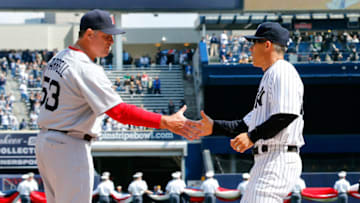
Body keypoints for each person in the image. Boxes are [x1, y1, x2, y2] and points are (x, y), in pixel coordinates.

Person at [35, 9, 198, 203]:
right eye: (106, 36)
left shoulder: (58, 57)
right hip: (69, 146)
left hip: (47, 142)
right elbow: (119, 112)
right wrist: (164, 121)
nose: (111, 42)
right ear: (89, 34)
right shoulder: (85, 67)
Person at [188, 22, 304, 203]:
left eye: (254, 43)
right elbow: (243, 125)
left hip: (278, 157)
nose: (250, 49)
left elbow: (286, 115)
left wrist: (251, 137)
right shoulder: (271, 75)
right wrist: (214, 126)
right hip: (269, 158)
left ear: (267, 45)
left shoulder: (282, 71)